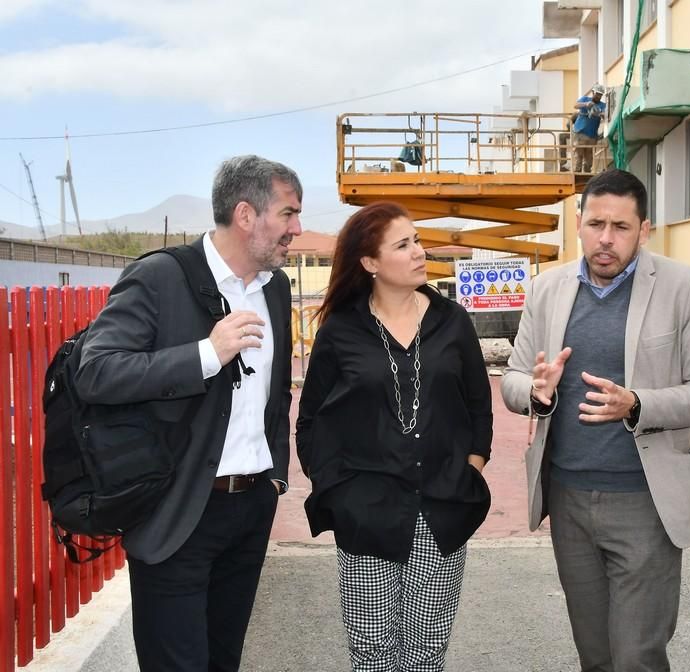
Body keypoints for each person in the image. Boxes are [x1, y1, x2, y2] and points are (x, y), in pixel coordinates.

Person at [75, 155, 302, 671]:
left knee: (224, 662)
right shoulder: (158, 277)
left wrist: (275, 481)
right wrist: (206, 353)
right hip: (178, 515)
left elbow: (277, 395)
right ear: (246, 215)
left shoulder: (276, 288)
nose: (298, 228)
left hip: (250, 511)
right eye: (288, 214)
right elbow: (97, 372)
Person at [501, 169, 690, 671]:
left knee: (636, 657)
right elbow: (513, 379)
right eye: (596, 224)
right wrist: (538, 395)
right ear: (578, 223)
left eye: (621, 227)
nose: (606, 239)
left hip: (644, 500)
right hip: (568, 498)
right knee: (596, 655)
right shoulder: (547, 289)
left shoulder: (683, 287)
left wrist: (638, 404)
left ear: (644, 230)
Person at [296, 201, 492, 672]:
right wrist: (337, 489)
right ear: (370, 263)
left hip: (442, 507)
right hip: (365, 512)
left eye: (418, 240)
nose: (419, 252)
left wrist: (470, 472)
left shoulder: (453, 321)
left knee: (427, 652)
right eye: (403, 245)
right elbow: (311, 422)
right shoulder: (341, 330)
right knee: (371, 650)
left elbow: (478, 408)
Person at [572, 84, 607, 173]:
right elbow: (575, 105)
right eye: (597, 94)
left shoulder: (602, 105)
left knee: (589, 157)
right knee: (578, 155)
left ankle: (586, 175)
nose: (598, 96)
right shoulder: (585, 99)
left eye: (600, 95)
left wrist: (600, 113)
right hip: (580, 132)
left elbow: (605, 114)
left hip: (592, 135)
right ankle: (577, 173)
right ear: (593, 92)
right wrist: (585, 104)